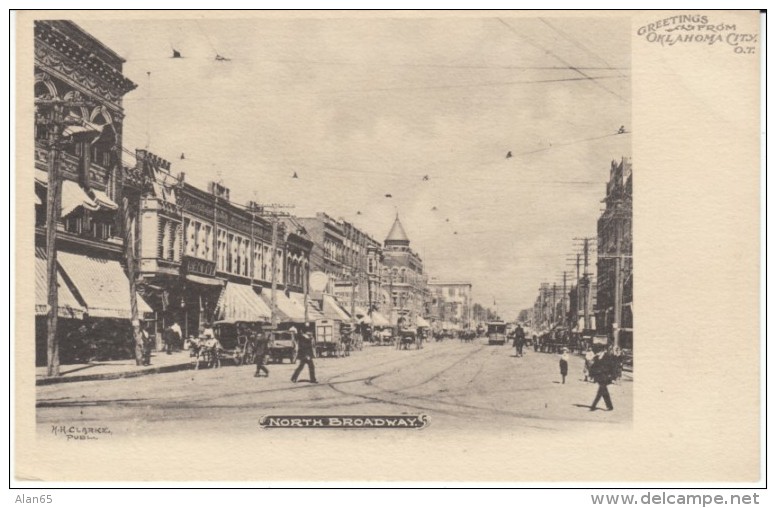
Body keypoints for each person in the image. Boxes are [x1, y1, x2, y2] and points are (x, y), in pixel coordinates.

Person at [589, 346, 615, 411]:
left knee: (600, 392)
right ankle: (610, 406)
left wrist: (613, 376)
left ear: (602, 351)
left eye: (598, 352)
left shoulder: (607, 356)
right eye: (596, 352)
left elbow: (612, 366)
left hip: (605, 377)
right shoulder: (596, 358)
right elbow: (593, 367)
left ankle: (593, 406)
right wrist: (591, 375)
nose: (597, 353)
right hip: (599, 377)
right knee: (604, 392)